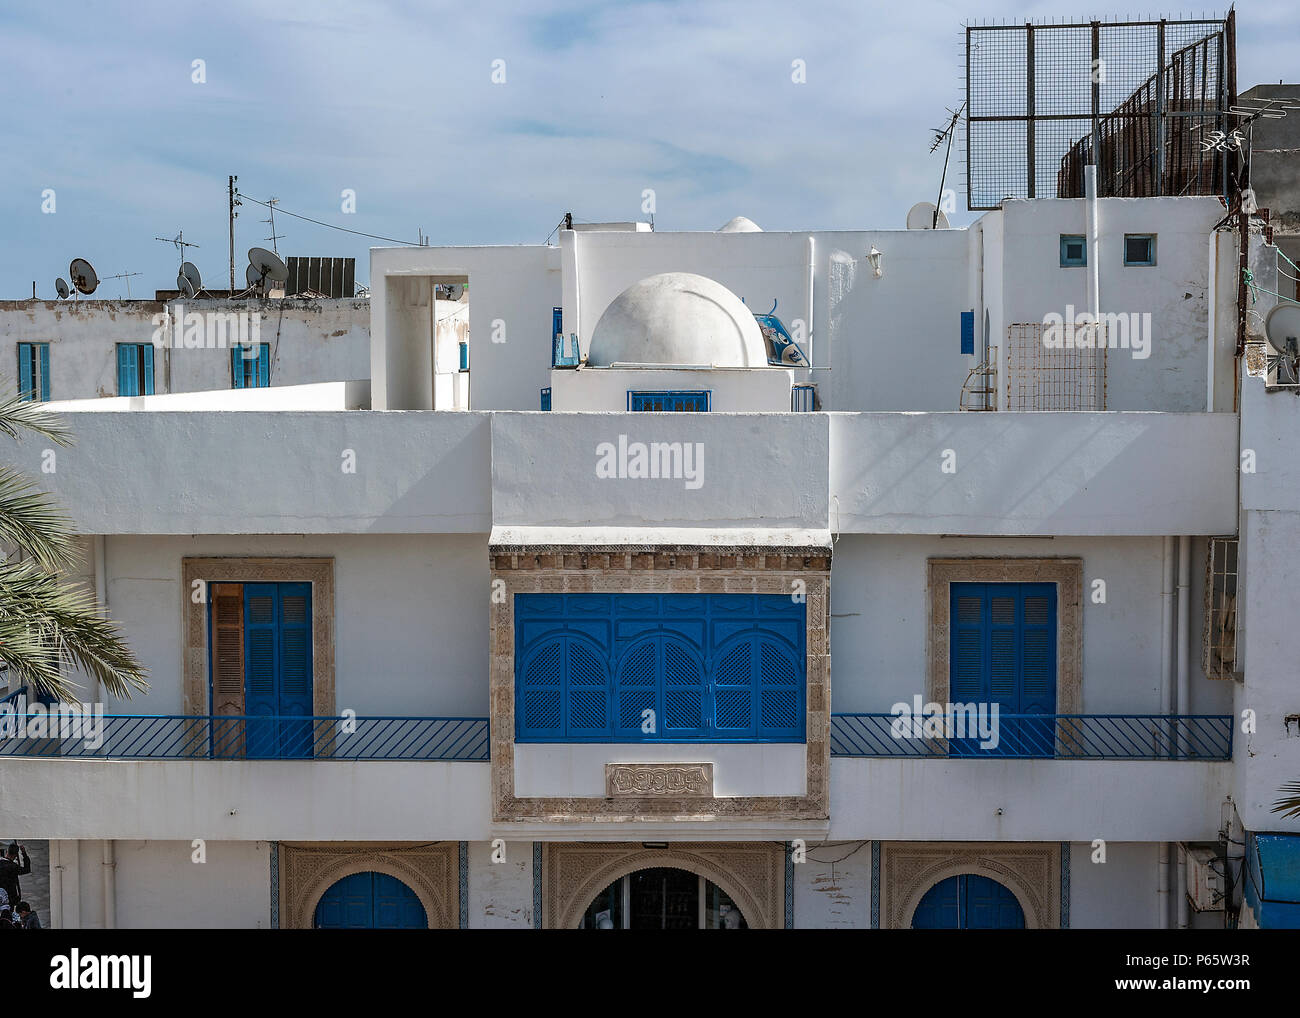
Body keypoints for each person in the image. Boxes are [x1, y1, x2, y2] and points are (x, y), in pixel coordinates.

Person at [0, 844, 29, 911]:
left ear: (7, 851)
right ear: (15, 855)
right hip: (10, 898)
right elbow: (27, 869)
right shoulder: (13, 867)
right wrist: (24, 853)